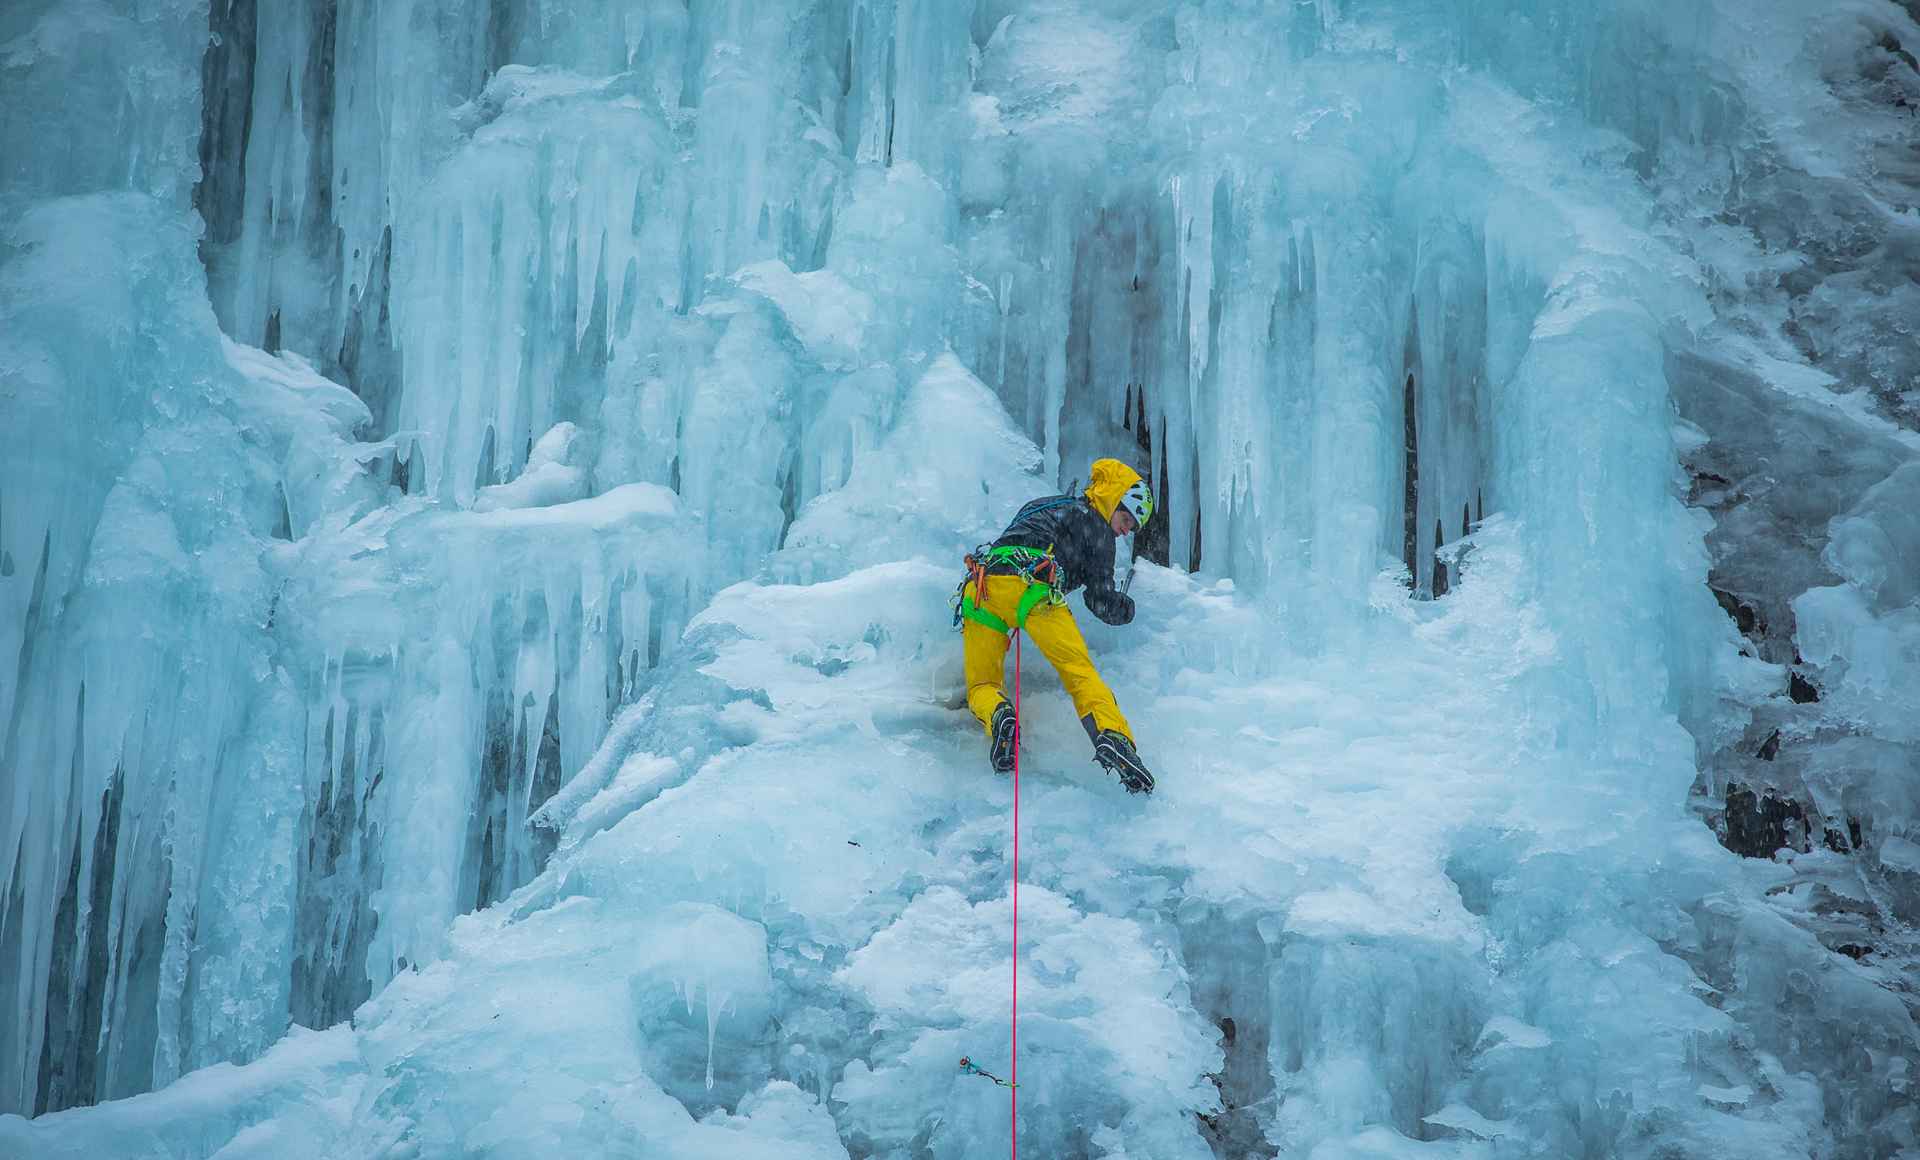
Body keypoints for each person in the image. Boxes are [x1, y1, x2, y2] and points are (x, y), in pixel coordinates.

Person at [955, 458, 1156, 794]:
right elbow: (1101, 602)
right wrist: (1126, 608)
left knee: (982, 685)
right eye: (1126, 519)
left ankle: (1001, 716)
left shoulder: (1045, 505)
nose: (1125, 531)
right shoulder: (1097, 527)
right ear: (1114, 499)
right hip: (1033, 588)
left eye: (1132, 528)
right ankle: (1114, 737)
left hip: (982, 588)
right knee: (1080, 674)